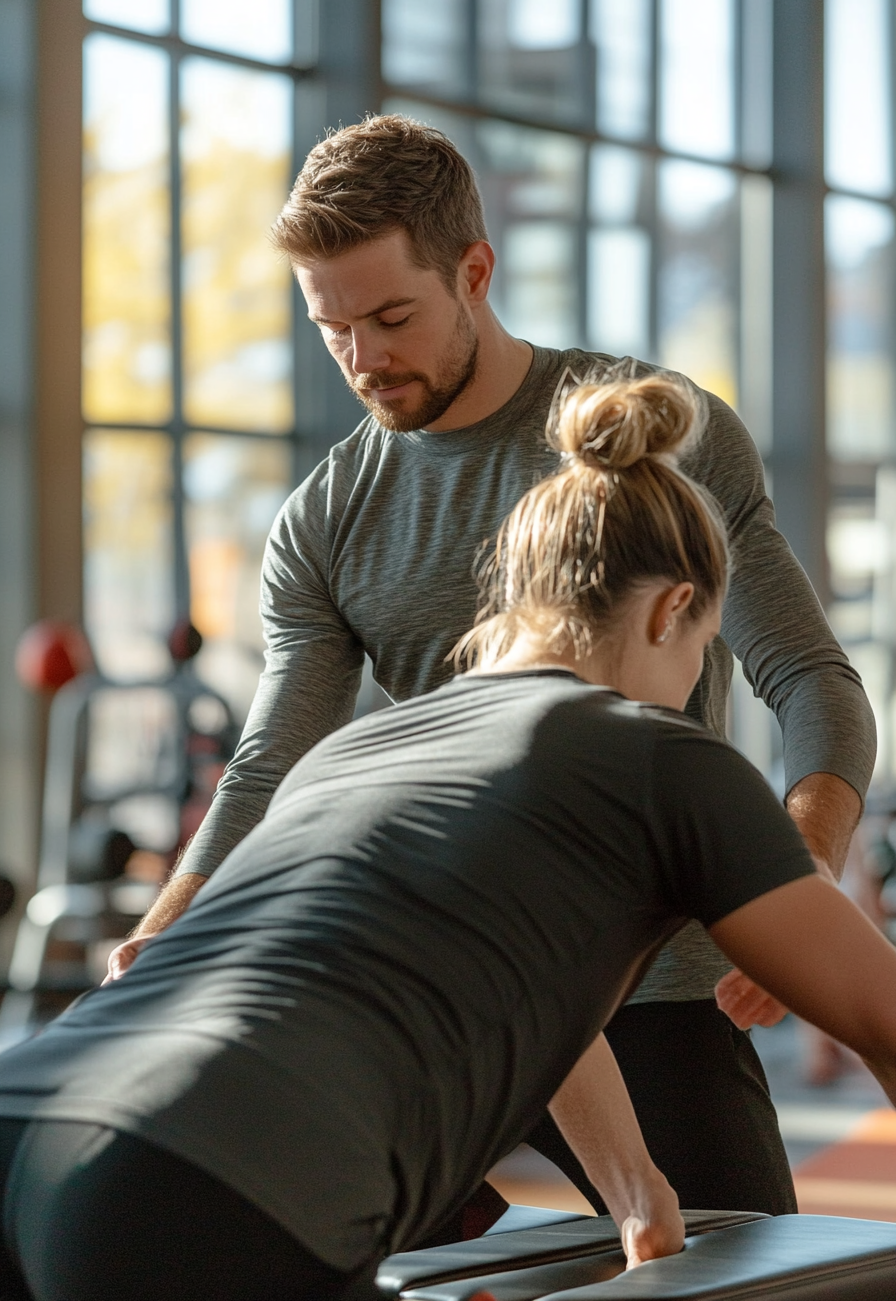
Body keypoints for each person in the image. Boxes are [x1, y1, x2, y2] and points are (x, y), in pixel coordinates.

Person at [110, 115, 875, 1218]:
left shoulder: (649, 428)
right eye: (333, 330)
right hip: (437, 987)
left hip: (646, 986)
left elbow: (810, 681)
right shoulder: (325, 516)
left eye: (390, 317)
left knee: (735, 1266)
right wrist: (173, 917)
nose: (364, 359)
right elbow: (276, 757)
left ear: (474, 271)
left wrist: (790, 881)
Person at [2, 374, 895, 1301]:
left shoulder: (352, 753)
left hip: (30, 1113)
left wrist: (641, 1195)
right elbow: (882, 1016)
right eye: (700, 647)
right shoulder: (658, 754)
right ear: (673, 612)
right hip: (197, 1174)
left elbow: (540, 998)